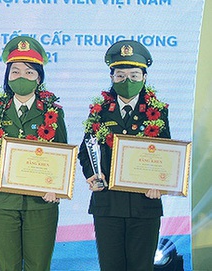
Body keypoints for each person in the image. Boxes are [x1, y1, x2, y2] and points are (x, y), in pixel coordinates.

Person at [0, 36, 67, 271]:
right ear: (7, 76)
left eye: (29, 72)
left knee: (38, 266)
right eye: (15, 71)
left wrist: (57, 187)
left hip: (41, 204)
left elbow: (62, 157)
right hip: (2, 203)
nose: (21, 77)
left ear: (39, 77)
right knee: (7, 266)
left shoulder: (54, 113)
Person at [78, 40, 169, 271]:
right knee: (111, 266)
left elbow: (167, 154)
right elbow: (85, 150)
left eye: (134, 75)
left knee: (141, 267)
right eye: (120, 76)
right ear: (112, 78)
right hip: (108, 203)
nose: (127, 81)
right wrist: (91, 175)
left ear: (144, 77)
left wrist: (160, 183)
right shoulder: (99, 111)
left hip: (145, 203)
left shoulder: (157, 111)